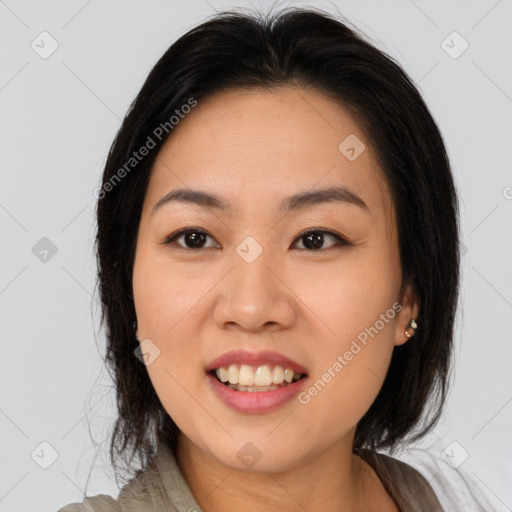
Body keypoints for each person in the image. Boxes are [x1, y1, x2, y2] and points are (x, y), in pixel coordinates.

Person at [58, 6, 499, 511]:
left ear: (408, 297)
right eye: (195, 238)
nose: (251, 307)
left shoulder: (453, 498)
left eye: (315, 239)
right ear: (128, 286)